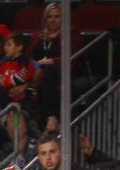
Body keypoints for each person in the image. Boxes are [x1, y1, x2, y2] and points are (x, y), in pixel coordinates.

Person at [29, 3, 82, 132]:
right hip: (38, 71)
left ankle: (51, 116)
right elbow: (28, 57)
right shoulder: (37, 36)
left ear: (63, 18)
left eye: (57, 16)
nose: (53, 20)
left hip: (62, 71)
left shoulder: (71, 33)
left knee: (48, 71)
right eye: (49, 16)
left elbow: (72, 57)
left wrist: (51, 61)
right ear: (45, 19)